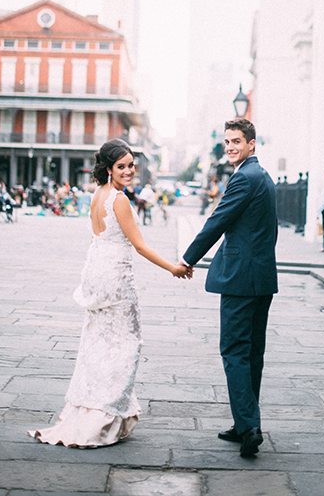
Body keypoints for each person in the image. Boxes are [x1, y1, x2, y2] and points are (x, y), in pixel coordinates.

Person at [28, 138, 192, 449]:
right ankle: (104, 416)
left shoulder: (97, 196)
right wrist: (173, 268)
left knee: (98, 342)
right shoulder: (119, 200)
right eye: (122, 166)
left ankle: (92, 409)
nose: (129, 171)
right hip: (116, 276)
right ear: (108, 169)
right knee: (125, 344)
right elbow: (140, 245)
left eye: (132, 165)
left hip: (97, 272)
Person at [181, 118, 277, 459]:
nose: (231, 147)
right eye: (227, 142)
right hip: (262, 278)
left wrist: (187, 258)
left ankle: (250, 427)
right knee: (252, 355)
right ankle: (243, 422)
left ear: (252, 143)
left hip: (240, 279)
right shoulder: (264, 177)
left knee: (235, 351)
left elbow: (217, 221)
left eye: (237, 141)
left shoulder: (243, 179)